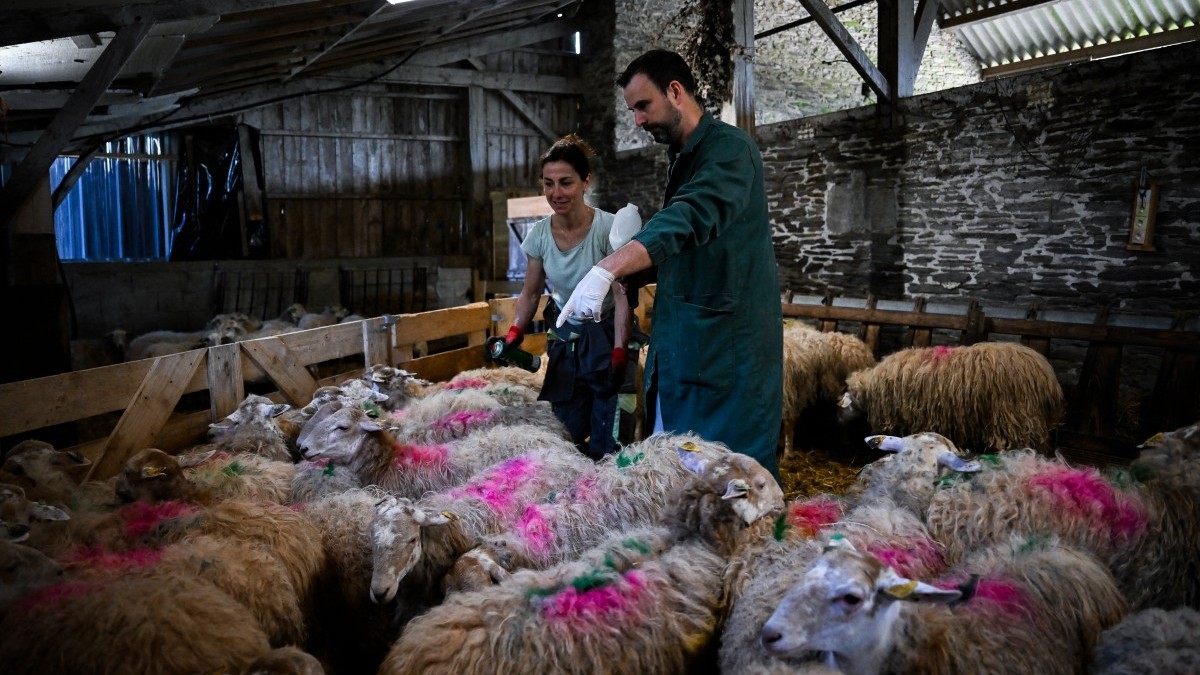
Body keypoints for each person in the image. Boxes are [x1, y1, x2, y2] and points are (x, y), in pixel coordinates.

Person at [556, 49, 784, 483]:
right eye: (633, 110)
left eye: (643, 106)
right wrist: (634, 273)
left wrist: (609, 266)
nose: (638, 120)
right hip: (685, 348)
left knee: (733, 485)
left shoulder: (730, 151)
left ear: (675, 92)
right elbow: (691, 248)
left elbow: (691, 216)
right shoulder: (683, 158)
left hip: (726, 355)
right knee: (681, 480)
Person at [503, 134, 635, 460]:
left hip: (606, 337)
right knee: (565, 438)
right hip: (566, 342)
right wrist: (515, 330)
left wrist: (620, 349)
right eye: (548, 184)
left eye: (566, 183)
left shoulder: (609, 229)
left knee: (609, 445)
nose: (556, 193)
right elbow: (531, 291)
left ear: (585, 182)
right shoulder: (539, 235)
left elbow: (622, 296)